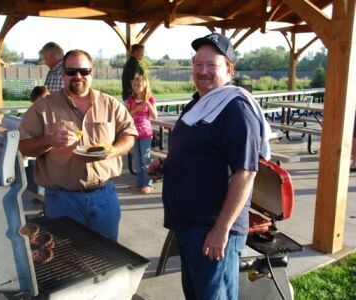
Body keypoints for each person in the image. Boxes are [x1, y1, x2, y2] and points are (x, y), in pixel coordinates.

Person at [148, 33, 271, 299]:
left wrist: (221, 230)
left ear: (228, 69)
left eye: (211, 65)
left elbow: (246, 173)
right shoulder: (200, 102)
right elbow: (201, 153)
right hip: (189, 226)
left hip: (212, 230)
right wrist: (167, 165)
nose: (202, 71)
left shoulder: (236, 109)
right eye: (197, 64)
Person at [18, 49, 137, 241]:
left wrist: (113, 151)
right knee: (67, 259)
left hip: (104, 196)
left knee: (106, 256)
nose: (78, 76)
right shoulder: (43, 107)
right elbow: (23, 146)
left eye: (84, 71)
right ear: (63, 74)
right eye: (71, 71)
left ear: (92, 73)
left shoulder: (110, 104)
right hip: (61, 199)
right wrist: (49, 140)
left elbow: (129, 134)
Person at [125, 75, 158, 194]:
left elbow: (155, 116)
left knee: (145, 159)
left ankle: (148, 183)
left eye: (139, 85)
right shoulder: (130, 100)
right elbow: (126, 116)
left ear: (144, 85)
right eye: (134, 85)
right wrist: (136, 109)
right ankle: (139, 182)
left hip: (145, 133)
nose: (136, 87)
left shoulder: (150, 99)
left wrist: (148, 105)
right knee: (137, 160)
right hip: (134, 133)